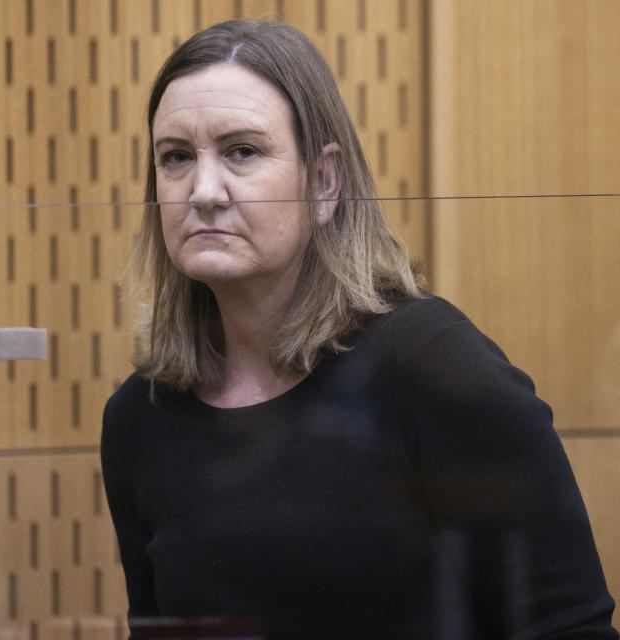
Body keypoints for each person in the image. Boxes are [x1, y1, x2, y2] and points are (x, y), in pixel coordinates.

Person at [100, 19, 617, 640]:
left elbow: (570, 629)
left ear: (324, 182)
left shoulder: (434, 366)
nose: (203, 191)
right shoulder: (138, 416)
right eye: (176, 158)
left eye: (242, 151)